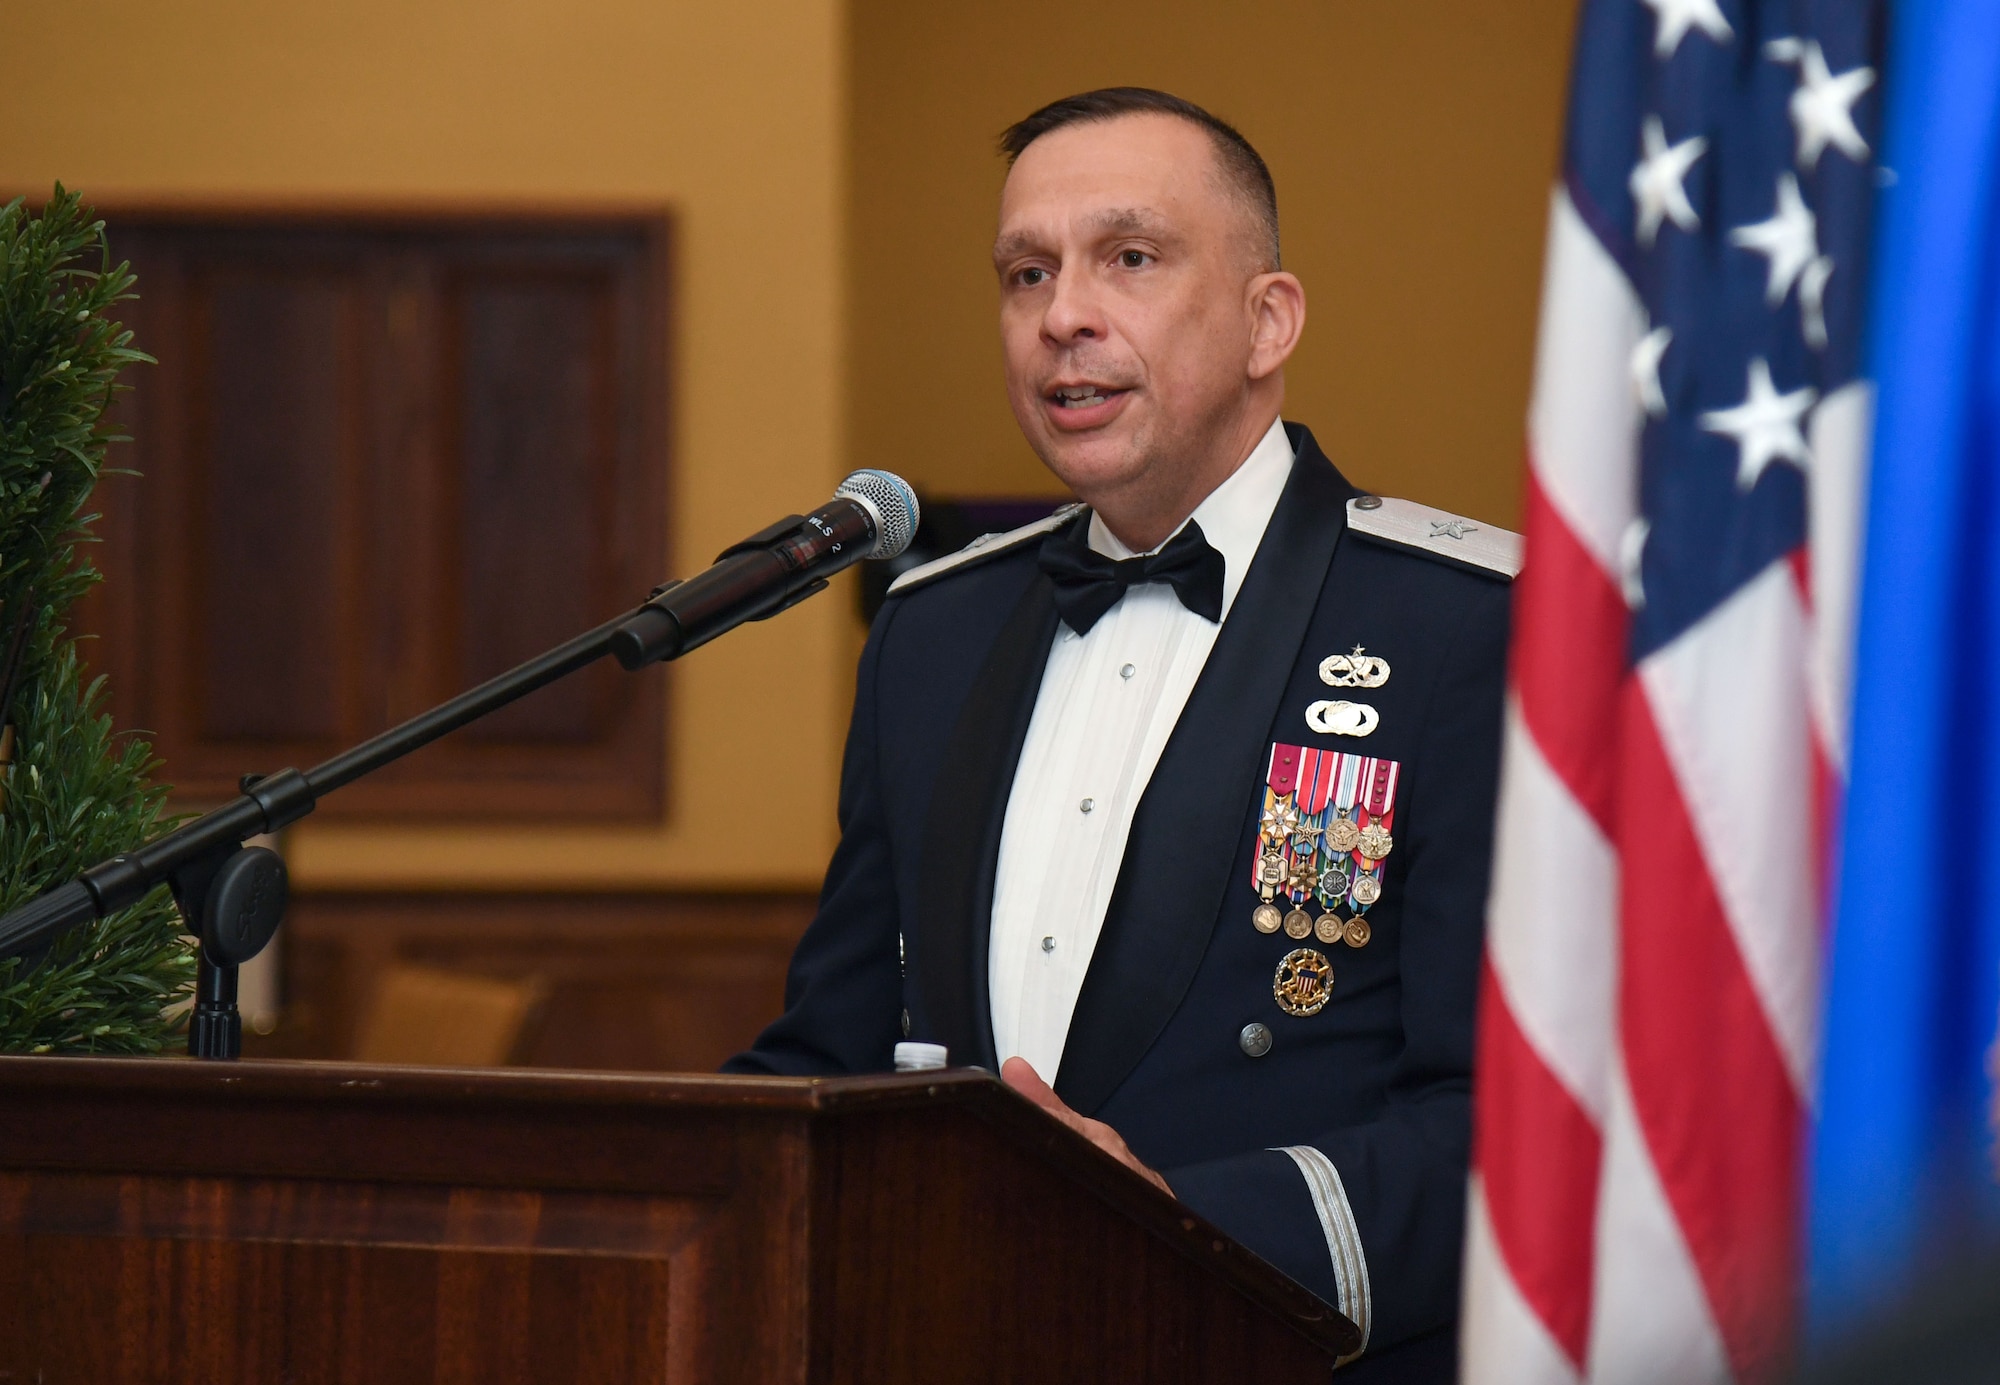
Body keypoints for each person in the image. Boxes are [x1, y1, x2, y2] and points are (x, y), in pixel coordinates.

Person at [725, 87, 1514, 1381]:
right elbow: (840, 1046)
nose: (1062, 316)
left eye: (1129, 259)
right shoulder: (931, 632)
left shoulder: (1464, 629)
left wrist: (1170, 1229)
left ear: (1271, 321)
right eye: (1025, 272)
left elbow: (1509, 1120)